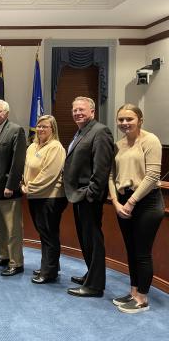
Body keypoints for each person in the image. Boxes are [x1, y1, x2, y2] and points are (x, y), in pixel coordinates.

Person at [109, 104, 164, 313]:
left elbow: (152, 176)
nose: (125, 123)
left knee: (142, 252)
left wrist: (131, 202)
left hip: (147, 202)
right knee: (131, 251)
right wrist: (116, 202)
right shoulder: (118, 144)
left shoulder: (150, 140)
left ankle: (142, 299)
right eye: (121, 119)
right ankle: (133, 292)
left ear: (140, 119)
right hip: (123, 202)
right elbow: (111, 176)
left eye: (129, 119)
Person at [63, 96, 114, 297]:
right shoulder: (81, 132)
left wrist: (90, 194)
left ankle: (95, 286)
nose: (77, 113)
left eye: (82, 109)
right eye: (75, 110)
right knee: (85, 239)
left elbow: (101, 168)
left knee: (93, 240)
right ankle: (91, 275)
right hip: (78, 195)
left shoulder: (100, 131)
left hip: (88, 197)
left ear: (92, 111)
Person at [21, 115, 67, 284]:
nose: (40, 129)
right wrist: (24, 184)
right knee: (44, 234)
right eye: (39, 126)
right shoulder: (33, 146)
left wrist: (29, 188)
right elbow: (27, 169)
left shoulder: (56, 147)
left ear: (52, 129)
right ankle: (50, 265)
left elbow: (49, 174)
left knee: (49, 234)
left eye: (44, 126)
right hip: (35, 196)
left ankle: (49, 272)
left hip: (50, 197)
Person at [0, 100, 26, 277]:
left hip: (8, 190)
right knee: (0, 226)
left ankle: (16, 262)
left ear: (6, 114)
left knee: (13, 228)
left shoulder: (16, 130)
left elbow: (18, 161)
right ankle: (4, 255)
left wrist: (11, 185)